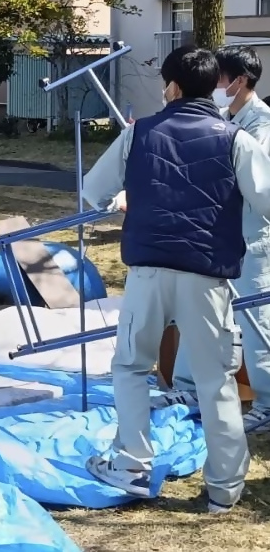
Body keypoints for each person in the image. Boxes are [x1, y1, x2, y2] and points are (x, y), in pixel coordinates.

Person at [81, 45, 270, 513]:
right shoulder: (236, 139)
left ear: (173, 86)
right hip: (208, 275)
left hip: (149, 270)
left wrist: (128, 198)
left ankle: (132, 463)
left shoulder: (138, 133)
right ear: (215, 87)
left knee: (131, 367)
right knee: (216, 380)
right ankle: (224, 490)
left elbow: (93, 190)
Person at [156, 46, 270, 434]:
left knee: (254, 321)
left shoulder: (262, 124)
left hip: (252, 240)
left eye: (219, 76)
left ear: (240, 80)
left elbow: (251, 182)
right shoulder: (223, 117)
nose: (213, 83)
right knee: (200, 313)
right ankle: (188, 388)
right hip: (215, 236)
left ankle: (266, 402)